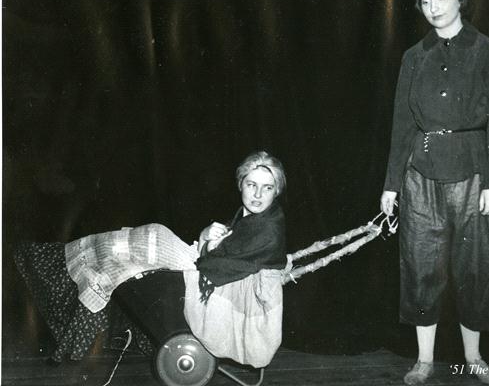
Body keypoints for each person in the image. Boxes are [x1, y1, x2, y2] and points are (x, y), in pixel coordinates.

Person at [14, 150, 288, 364]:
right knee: (139, 245)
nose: (258, 194)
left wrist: (207, 243)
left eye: (267, 188)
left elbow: (215, 266)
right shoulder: (252, 217)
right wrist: (208, 237)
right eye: (251, 184)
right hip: (207, 270)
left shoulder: (267, 229)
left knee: (146, 242)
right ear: (240, 184)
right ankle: (74, 262)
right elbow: (224, 255)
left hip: (216, 288)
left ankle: (60, 260)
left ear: (277, 191)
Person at [380, 0, 489, 385]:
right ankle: (424, 360)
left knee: (476, 268)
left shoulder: (488, 50)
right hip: (420, 176)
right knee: (421, 267)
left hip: (474, 173)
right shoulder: (413, 57)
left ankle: (474, 358)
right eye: (426, 1)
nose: (433, 8)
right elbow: (402, 124)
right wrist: (390, 184)